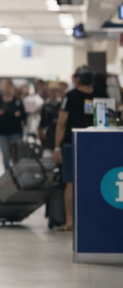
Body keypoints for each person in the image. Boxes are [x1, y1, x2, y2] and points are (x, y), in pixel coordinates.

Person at [53, 66, 96, 232]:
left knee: (70, 182)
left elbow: (61, 122)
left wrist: (57, 146)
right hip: (95, 143)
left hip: (72, 143)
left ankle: (70, 220)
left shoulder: (70, 96)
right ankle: (91, 217)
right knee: (93, 181)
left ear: (76, 79)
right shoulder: (100, 95)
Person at [0, 79, 25, 170]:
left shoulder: (17, 101)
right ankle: (7, 173)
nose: (7, 90)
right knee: (5, 154)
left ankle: (17, 171)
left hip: (16, 130)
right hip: (2, 131)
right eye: (5, 88)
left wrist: (19, 114)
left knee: (16, 153)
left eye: (9, 88)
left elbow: (24, 115)